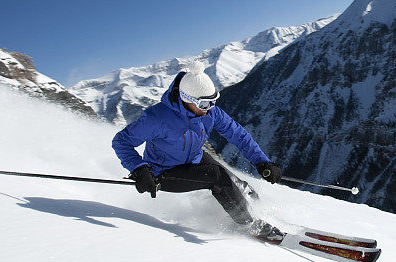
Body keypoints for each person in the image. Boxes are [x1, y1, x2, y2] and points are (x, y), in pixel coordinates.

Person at [111, 61, 284, 240]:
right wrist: (139, 170)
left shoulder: (210, 112)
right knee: (218, 177)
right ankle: (248, 225)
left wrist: (262, 161)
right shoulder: (158, 118)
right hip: (162, 171)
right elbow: (121, 141)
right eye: (204, 104)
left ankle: (255, 211)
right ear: (187, 99)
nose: (209, 107)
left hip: (194, 159)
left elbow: (237, 135)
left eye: (213, 101)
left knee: (241, 186)